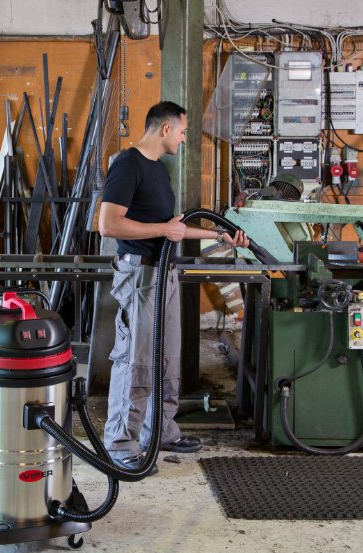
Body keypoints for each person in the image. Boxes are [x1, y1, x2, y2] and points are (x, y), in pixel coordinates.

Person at [98, 100, 250, 471]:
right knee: (136, 360)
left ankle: (160, 431)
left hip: (164, 272)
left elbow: (175, 227)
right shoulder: (128, 164)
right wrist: (164, 230)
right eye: (182, 132)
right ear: (165, 129)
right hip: (140, 276)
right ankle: (121, 443)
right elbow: (108, 224)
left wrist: (221, 235)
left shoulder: (158, 170)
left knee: (167, 357)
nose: (184, 139)